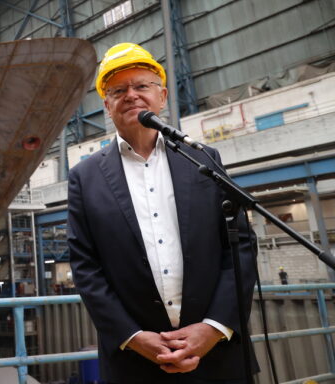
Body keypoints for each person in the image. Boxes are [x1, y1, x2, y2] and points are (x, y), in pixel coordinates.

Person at [67, 43, 258, 383]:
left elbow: (240, 246)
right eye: (118, 91)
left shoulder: (202, 158)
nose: (131, 95)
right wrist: (132, 336)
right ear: (107, 106)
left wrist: (213, 327)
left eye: (141, 85)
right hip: (135, 364)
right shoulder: (85, 177)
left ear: (162, 96)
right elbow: (85, 266)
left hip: (217, 358)